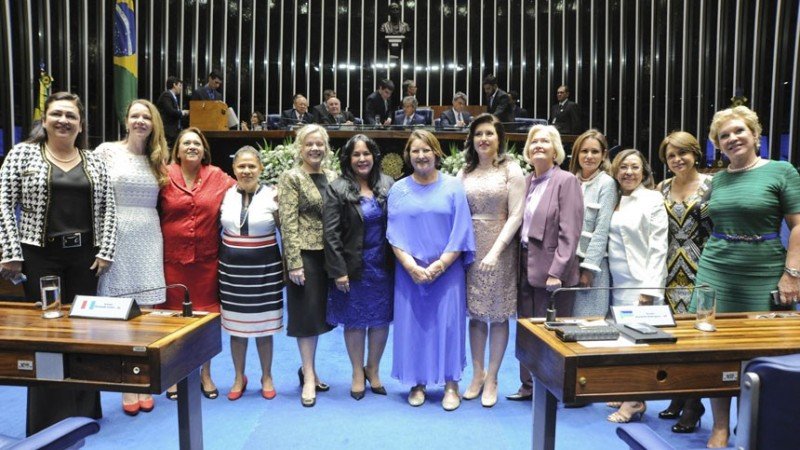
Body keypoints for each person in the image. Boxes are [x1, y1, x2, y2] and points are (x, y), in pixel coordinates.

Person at [0, 91, 116, 435]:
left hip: (85, 257)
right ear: (45, 120)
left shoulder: (94, 161)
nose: (64, 120)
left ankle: (85, 407)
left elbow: (108, 207)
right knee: (48, 334)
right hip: (40, 257)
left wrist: (106, 250)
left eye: (71, 116)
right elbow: (3, 204)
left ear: (81, 125)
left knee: (85, 330)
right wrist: (11, 253)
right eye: (57, 114)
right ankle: (49, 418)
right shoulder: (22, 154)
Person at [692, 106, 800, 448]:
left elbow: (798, 226)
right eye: (724, 136)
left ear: (755, 134)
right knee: (715, 349)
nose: (732, 138)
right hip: (716, 269)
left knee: (761, 351)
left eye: (739, 131)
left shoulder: (782, 171)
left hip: (764, 272)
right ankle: (720, 427)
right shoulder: (718, 179)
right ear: (717, 145)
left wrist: (792, 274)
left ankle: (752, 426)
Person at [387, 130, 475, 411]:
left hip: (447, 273)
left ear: (436, 153)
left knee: (449, 326)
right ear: (408, 155)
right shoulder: (398, 190)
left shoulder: (454, 187)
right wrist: (410, 266)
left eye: (426, 150)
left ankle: (451, 384)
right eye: (415, 151)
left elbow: (462, 230)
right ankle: (418, 382)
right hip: (410, 273)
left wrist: (441, 264)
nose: (421, 155)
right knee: (414, 326)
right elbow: (393, 233)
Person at [95, 99, 169, 416]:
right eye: (135, 116)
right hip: (116, 236)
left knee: (147, 313)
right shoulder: (106, 152)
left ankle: (142, 378)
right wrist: (100, 244)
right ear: (126, 121)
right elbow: (94, 197)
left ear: (154, 124)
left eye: (146, 117)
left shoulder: (158, 157)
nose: (140, 121)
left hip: (149, 235)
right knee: (120, 313)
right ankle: (127, 383)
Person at [158, 127, 235, 400]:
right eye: (186, 143)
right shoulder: (163, 174)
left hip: (206, 262)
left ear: (204, 151)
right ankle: (174, 373)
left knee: (206, 319)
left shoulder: (217, 176)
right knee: (172, 319)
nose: (192, 147)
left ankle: (205, 373)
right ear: (177, 151)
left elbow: (245, 186)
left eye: (197, 143)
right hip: (172, 260)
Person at [507, 124, 583, 402]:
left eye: (545, 141)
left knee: (551, 332)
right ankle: (528, 386)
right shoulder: (526, 182)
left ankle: (552, 390)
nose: (538, 145)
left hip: (552, 270)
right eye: (534, 141)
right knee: (527, 328)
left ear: (555, 150)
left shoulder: (566, 181)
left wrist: (557, 271)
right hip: (524, 265)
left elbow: (570, 231)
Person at [457, 114, 524, 408]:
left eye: (489, 133)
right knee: (475, 314)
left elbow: (517, 214)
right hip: (470, 247)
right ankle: (477, 374)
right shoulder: (464, 171)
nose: (483, 139)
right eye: (478, 134)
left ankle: (493, 377)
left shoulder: (511, 168)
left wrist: (496, 251)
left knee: (497, 315)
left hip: (500, 246)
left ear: (499, 138)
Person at [323, 135, 394, 401]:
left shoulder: (388, 184)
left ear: (374, 156)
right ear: (348, 158)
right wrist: (338, 270)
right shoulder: (337, 188)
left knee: (380, 320)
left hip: (383, 264)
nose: (362, 159)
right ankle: (356, 371)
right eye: (356, 154)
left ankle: (372, 368)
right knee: (354, 320)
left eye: (366, 153)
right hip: (352, 266)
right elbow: (330, 234)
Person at [653, 131, 712, 433]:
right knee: (672, 334)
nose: (677, 160)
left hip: (701, 268)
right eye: (671, 156)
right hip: (667, 268)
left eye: (682, 153)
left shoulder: (711, 185)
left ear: (695, 153)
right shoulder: (661, 187)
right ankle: (678, 394)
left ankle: (693, 404)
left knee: (697, 339)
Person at [605, 149, 668, 424]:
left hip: (642, 280)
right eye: (623, 167)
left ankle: (635, 402)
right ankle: (626, 390)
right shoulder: (614, 198)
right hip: (617, 282)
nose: (628, 172)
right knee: (623, 340)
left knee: (640, 343)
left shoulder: (652, 199)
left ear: (644, 172)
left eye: (634, 167)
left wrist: (650, 290)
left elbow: (658, 246)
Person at [278, 124, 338, 407]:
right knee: (305, 318)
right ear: (300, 148)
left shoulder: (333, 176)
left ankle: (310, 369)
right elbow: (288, 222)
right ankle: (309, 376)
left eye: (319, 144)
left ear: (326, 147)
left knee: (320, 317)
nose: (315, 148)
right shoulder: (291, 177)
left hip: (330, 256)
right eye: (309, 144)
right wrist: (294, 263)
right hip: (305, 256)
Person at [219, 146, 284, 402]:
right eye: (241, 166)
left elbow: (286, 232)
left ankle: (267, 376)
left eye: (251, 166)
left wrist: (289, 266)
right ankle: (239, 376)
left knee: (264, 327)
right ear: (234, 169)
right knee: (237, 329)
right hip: (232, 271)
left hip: (265, 270)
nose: (246, 171)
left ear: (261, 168)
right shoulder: (225, 194)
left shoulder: (273, 195)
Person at [568, 129, 618, 318]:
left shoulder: (607, 183)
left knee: (588, 322)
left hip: (592, 266)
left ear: (603, 155)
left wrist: (588, 269)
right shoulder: (569, 179)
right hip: (567, 265)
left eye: (595, 151)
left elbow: (602, 230)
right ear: (577, 153)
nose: (589, 156)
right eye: (584, 151)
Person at [155, 76, 188, 147]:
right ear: (174, 85)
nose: (181, 88)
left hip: (174, 131)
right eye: (180, 85)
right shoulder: (166, 95)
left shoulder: (172, 96)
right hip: (168, 131)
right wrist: (182, 112)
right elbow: (170, 111)